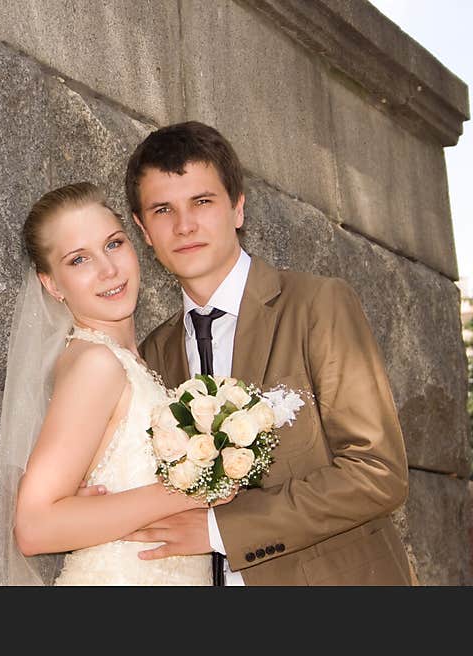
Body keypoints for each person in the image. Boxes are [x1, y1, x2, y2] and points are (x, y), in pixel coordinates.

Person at [125, 121, 413, 585]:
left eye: (202, 201)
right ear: (144, 230)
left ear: (238, 207)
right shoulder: (152, 354)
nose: (184, 225)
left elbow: (376, 471)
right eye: (163, 210)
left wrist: (221, 530)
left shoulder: (317, 305)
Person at [0, 182, 226, 585]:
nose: (109, 270)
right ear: (52, 284)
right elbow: (34, 527)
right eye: (79, 259)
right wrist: (186, 491)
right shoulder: (97, 365)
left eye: (114, 244)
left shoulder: (135, 362)